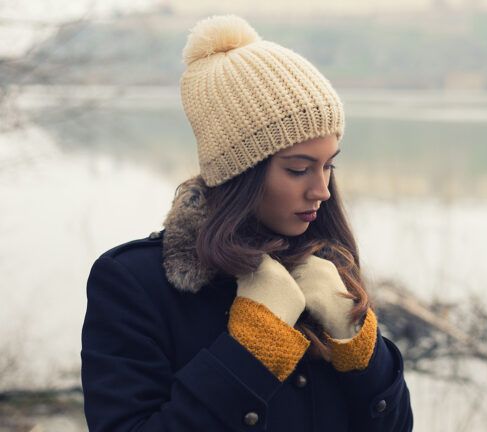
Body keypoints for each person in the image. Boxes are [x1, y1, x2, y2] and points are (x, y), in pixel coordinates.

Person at [80, 14, 413, 431]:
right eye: (297, 169)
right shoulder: (134, 284)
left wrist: (359, 346)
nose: (322, 190)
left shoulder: (327, 269)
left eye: (328, 166)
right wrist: (254, 348)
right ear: (240, 172)